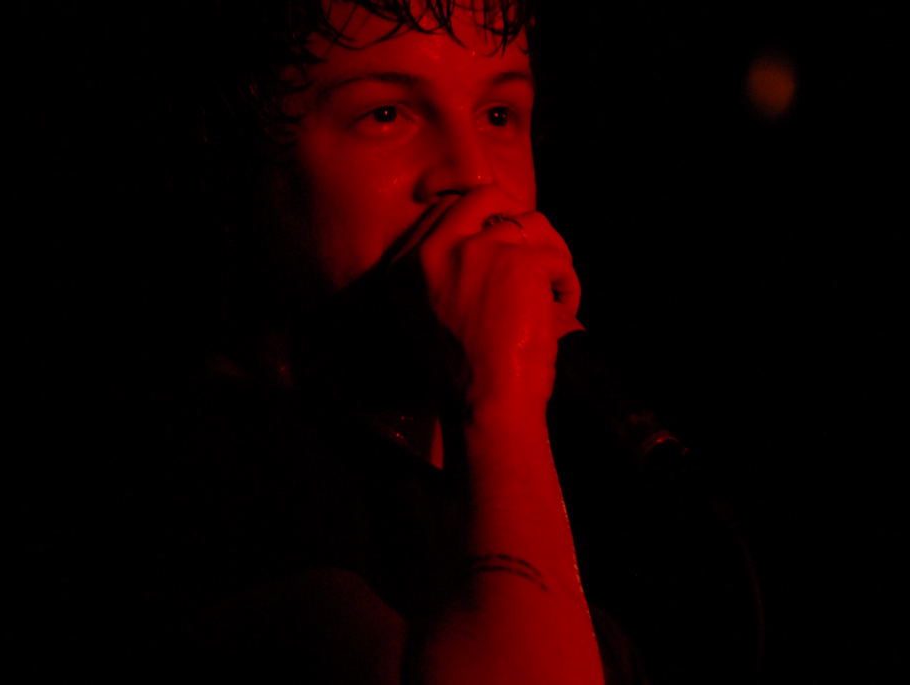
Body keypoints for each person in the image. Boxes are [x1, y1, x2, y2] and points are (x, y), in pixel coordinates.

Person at [83, 1, 640, 682]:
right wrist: (502, 402)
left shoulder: (576, 476)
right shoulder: (192, 469)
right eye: (386, 115)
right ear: (246, 167)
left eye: (498, 114)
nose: (474, 175)